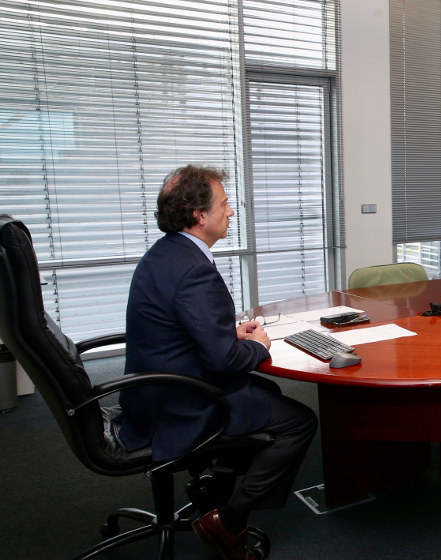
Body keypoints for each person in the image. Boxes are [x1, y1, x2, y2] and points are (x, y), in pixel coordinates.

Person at [118, 165, 317, 560]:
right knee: (299, 422)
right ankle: (227, 520)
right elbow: (225, 361)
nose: (231, 211)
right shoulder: (193, 269)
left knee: (267, 391)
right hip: (180, 401)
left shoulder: (167, 253)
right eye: (224, 204)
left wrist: (228, 333)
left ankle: (217, 482)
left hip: (153, 389)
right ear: (199, 215)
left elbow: (184, 330)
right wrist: (258, 345)